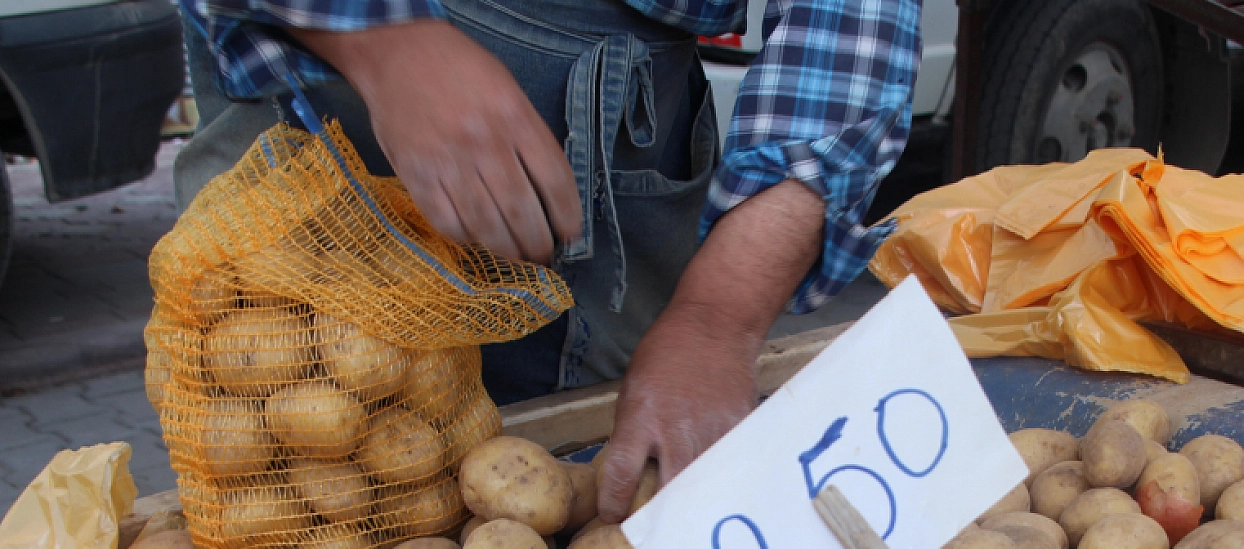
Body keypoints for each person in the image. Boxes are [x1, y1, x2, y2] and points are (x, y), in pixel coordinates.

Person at [176, 0, 923, 522]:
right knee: (279, 496)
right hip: (295, 102)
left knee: (596, 499)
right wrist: (381, 41)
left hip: (604, 151)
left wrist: (716, 318)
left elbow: (848, 31)